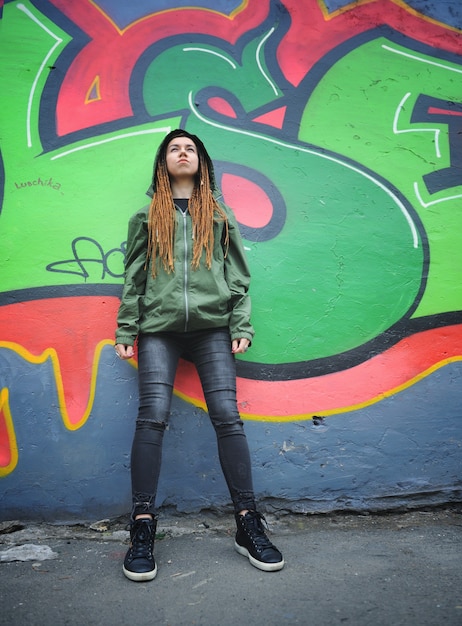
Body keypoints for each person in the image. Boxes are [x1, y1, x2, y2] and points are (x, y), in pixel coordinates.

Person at [115, 129, 284, 582]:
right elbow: (133, 277)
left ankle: (248, 523)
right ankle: (143, 526)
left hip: (212, 330)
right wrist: (126, 328)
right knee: (152, 416)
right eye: (174, 148)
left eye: (190, 148)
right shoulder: (146, 216)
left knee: (227, 416)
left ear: (202, 162)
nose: (183, 152)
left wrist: (240, 324)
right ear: (163, 163)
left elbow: (238, 276)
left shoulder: (220, 216)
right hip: (158, 331)